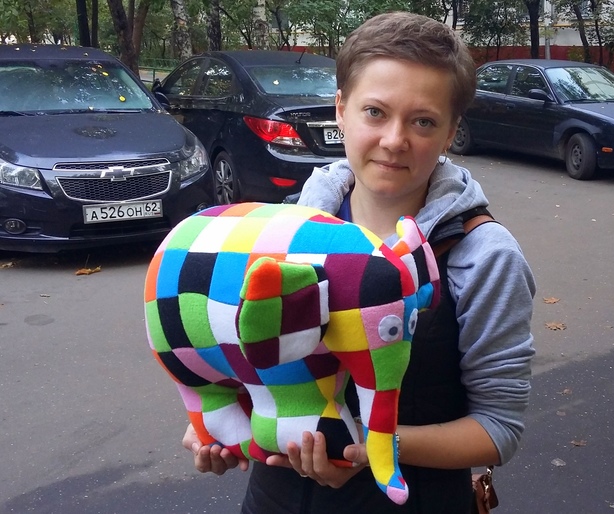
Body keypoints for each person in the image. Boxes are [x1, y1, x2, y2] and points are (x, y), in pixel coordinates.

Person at [182, 11, 536, 513]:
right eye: (375, 112)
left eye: (423, 121)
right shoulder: (278, 231)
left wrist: (375, 447)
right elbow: (242, 361)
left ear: (451, 132)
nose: (394, 140)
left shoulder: (484, 257)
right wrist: (219, 425)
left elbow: (499, 429)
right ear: (341, 111)